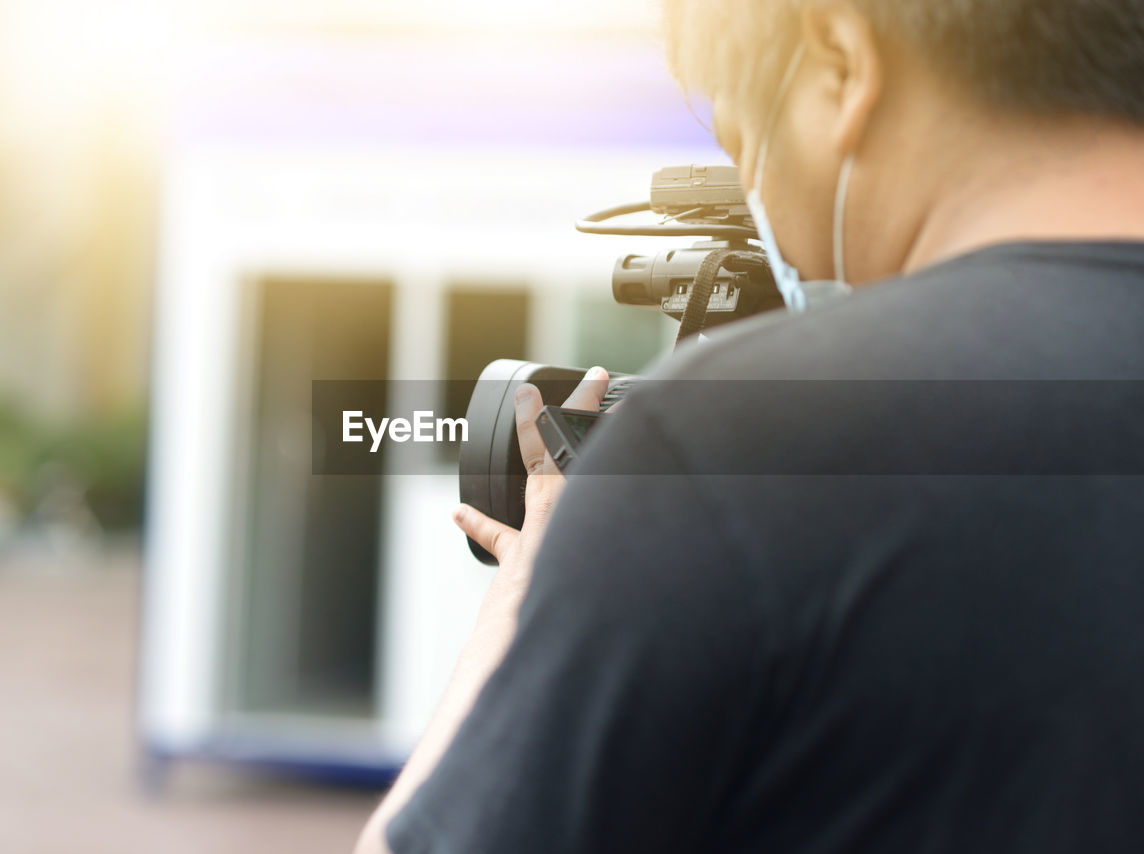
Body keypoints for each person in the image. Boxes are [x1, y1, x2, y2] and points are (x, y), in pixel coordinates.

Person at [357, 1, 1144, 851]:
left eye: (743, 146)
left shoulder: (748, 434)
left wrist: (521, 606)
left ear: (841, 63)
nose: (767, 211)